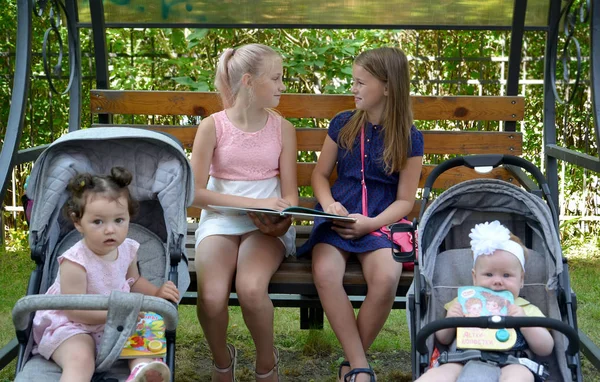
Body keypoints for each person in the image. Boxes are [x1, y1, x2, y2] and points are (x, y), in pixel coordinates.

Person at [297, 47, 424, 382]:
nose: (353, 88)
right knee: (325, 273)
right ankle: (361, 367)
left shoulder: (409, 137)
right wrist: (328, 206)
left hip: (381, 221)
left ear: (387, 87)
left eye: (360, 82)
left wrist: (371, 223)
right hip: (338, 218)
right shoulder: (343, 124)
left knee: (386, 278)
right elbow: (320, 176)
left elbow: (405, 201)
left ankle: (350, 366)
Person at [191, 43, 297, 382]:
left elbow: (290, 194)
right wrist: (254, 204)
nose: (283, 86)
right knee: (211, 295)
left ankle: (267, 364)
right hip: (220, 220)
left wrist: (278, 221)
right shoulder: (212, 127)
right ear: (249, 81)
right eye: (276, 78)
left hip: (265, 228)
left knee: (251, 289)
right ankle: (223, 362)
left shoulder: (283, 129)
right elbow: (195, 193)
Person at [32, 167, 180, 382]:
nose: (110, 230)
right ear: (78, 222)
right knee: (81, 359)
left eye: (118, 220)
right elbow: (74, 310)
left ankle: (142, 370)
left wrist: (156, 292)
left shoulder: (128, 249)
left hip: (113, 319)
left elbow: (134, 281)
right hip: (73, 325)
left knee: (145, 332)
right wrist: (116, 317)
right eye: (98, 222)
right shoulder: (74, 261)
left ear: (129, 217)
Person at [415, 220, 555, 382]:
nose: (497, 281)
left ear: (521, 280)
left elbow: (546, 348)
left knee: (520, 376)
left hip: (512, 362)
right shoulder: (463, 303)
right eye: (488, 275)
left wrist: (525, 323)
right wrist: (452, 319)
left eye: (506, 275)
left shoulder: (525, 309)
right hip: (463, 359)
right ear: (474, 278)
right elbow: (443, 339)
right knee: (438, 375)